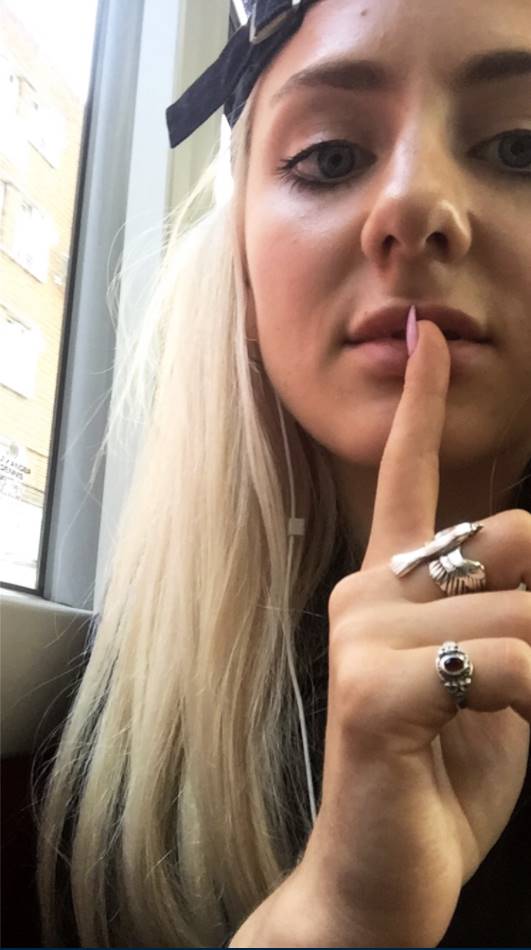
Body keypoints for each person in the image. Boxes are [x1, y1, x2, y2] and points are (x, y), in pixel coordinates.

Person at [35, 0, 531, 946]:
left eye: (518, 147)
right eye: (330, 158)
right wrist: (336, 917)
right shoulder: (123, 731)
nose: (413, 205)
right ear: (242, 259)